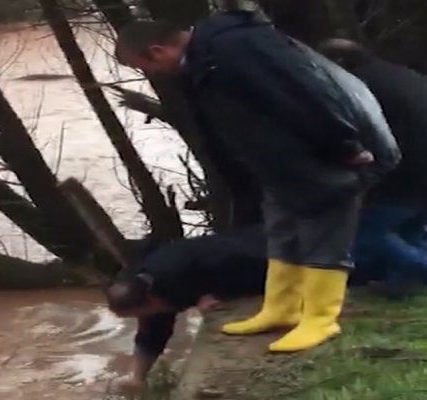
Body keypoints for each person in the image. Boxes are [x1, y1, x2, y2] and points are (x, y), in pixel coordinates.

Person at [115, 10, 401, 353]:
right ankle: (282, 307)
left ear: (159, 50)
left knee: (323, 238)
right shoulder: (205, 61)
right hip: (277, 166)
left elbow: (305, 94)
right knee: (282, 236)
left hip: (322, 159)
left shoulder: (235, 49)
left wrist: (344, 147)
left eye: (145, 67)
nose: (151, 74)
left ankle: (320, 319)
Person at [318, 39, 427, 296]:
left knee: (366, 231)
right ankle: (400, 284)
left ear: (339, 64)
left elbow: (351, 131)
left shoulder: (357, 86)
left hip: (405, 165)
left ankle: (419, 270)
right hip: (419, 163)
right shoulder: (401, 74)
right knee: (408, 227)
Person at [106, 227, 266, 394]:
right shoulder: (149, 289)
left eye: (138, 314)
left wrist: (219, 293)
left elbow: (237, 261)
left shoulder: (176, 273)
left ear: (150, 300)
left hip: (257, 253)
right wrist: (136, 377)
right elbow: (151, 334)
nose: (140, 320)